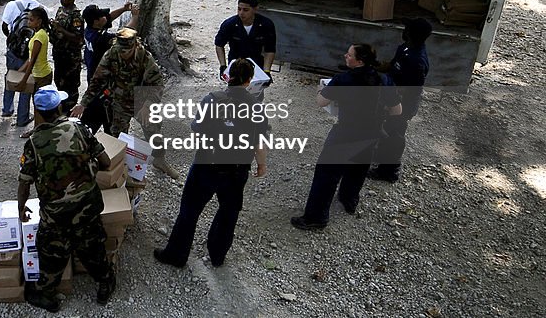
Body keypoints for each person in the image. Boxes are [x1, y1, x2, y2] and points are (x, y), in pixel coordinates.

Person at [154, 59, 269, 269]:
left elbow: (197, 130)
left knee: (189, 210)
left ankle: (177, 254)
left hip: (207, 164)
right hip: (237, 170)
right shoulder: (256, 107)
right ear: (250, 80)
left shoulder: (212, 100)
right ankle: (217, 256)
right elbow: (259, 142)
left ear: (228, 76)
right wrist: (261, 165)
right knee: (228, 213)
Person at [18, 86, 115, 313]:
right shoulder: (79, 128)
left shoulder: (33, 143)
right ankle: (104, 282)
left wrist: (21, 207)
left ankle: (47, 295)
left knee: (52, 251)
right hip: (87, 205)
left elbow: (24, 182)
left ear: (39, 112)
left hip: (56, 214)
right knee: (92, 246)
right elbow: (107, 163)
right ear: (60, 107)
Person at [291, 44, 402, 230]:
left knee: (326, 175)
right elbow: (397, 111)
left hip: (346, 133)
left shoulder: (343, 79)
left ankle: (316, 217)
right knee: (358, 169)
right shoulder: (384, 80)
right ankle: (349, 200)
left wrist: (319, 90)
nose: (345, 56)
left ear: (359, 60)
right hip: (371, 133)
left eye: (349, 55)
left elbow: (321, 102)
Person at [73, 28, 178, 180]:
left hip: (142, 102)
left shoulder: (144, 57)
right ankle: (119, 168)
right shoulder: (111, 54)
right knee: (118, 137)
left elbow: (157, 83)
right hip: (120, 102)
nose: (123, 54)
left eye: (127, 51)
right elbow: (97, 81)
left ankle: (160, 161)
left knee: (154, 131)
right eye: (121, 50)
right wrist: (83, 103)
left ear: (135, 46)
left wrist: (148, 105)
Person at [370, 18, 432, 182]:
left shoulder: (417, 60)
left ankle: (389, 171)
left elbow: (410, 89)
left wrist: (388, 99)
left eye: (406, 29)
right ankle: (381, 155)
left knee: (394, 134)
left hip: (402, 104)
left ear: (412, 34)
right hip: (391, 97)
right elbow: (392, 66)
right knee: (384, 127)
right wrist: (373, 67)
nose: (403, 31)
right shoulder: (404, 48)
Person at [1, 0, 43, 124]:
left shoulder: (12, 5)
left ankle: (7, 109)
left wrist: (14, 41)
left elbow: (4, 26)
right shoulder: (39, 9)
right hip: (29, 53)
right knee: (26, 83)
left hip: (13, 50)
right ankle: (22, 117)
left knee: (10, 76)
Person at [214, 0, 277, 90]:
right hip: (236, 64)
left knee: (256, 94)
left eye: (245, 10)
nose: (241, 13)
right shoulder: (229, 24)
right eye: (239, 9)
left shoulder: (266, 25)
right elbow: (219, 44)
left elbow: (270, 49)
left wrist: (266, 70)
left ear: (255, 9)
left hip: (256, 64)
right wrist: (223, 66)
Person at [14, 6, 53, 127]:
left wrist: (23, 80)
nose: (28, 22)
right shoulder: (37, 33)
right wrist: (18, 72)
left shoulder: (40, 36)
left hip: (42, 75)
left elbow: (32, 61)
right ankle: (37, 128)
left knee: (39, 105)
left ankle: (38, 129)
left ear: (39, 21)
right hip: (38, 74)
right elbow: (30, 58)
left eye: (31, 20)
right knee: (37, 103)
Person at [50, 0, 84, 112]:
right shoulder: (60, 10)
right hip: (59, 54)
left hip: (71, 58)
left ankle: (70, 111)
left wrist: (61, 29)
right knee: (59, 82)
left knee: (71, 85)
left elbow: (78, 38)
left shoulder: (76, 17)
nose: (61, 0)